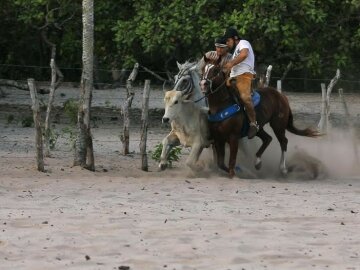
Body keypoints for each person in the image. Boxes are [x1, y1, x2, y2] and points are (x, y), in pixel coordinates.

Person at [222, 27, 258, 139]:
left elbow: (244, 55)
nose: (227, 43)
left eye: (228, 40)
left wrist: (231, 63)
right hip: (232, 77)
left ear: (235, 38)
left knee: (245, 98)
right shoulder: (234, 52)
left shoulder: (243, 43)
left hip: (244, 75)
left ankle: (253, 123)